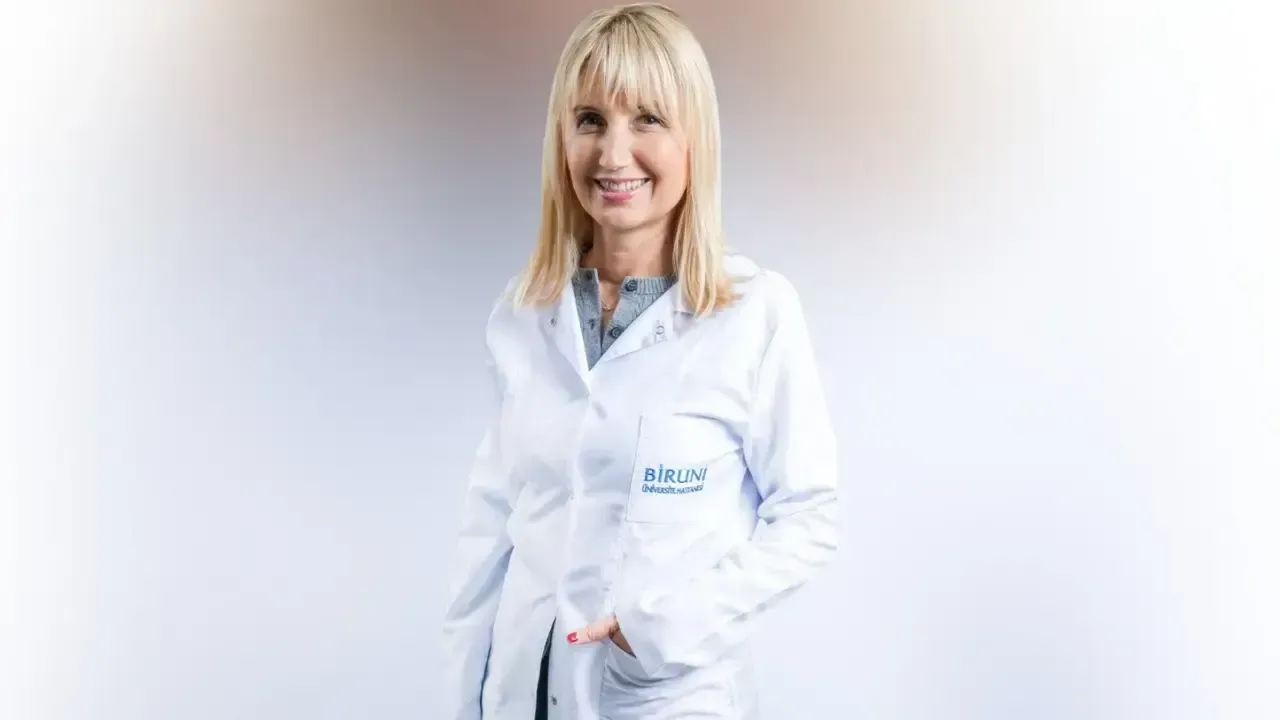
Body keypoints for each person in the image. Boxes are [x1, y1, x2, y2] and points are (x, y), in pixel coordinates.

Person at [440, 4, 838, 718]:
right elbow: (489, 531)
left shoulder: (754, 313)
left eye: (648, 119)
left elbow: (807, 517)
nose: (613, 154)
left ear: (694, 139)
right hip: (523, 692)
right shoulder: (524, 314)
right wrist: (459, 698)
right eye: (590, 120)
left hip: (660, 695)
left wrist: (661, 629)